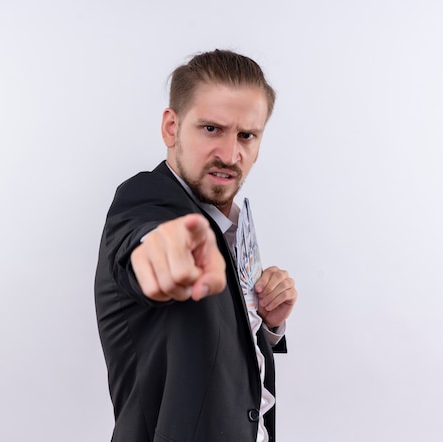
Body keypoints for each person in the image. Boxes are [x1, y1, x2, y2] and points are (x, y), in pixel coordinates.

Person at [94, 49, 297, 442]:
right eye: (211, 129)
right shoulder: (146, 199)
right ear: (171, 127)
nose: (230, 154)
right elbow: (138, 239)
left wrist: (267, 323)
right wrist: (158, 251)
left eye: (246, 136)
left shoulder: (227, 225)